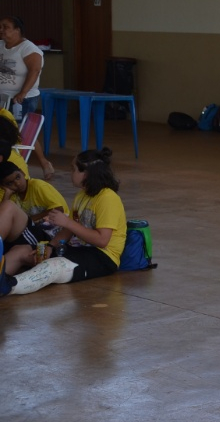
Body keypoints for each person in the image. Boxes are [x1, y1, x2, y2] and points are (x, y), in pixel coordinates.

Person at [1, 147, 127, 297]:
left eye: (73, 169)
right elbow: (68, 231)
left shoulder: (108, 197)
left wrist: (67, 222)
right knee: (23, 251)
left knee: (55, 266)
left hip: (102, 257)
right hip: (78, 249)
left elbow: (102, 240)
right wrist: (50, 246)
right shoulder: (82, 196)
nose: (70, 173)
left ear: (86, 174)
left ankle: (9, 286)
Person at [0, 16, 55, 179]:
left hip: (21, 100)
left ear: (17, 30)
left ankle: (42, 163)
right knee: (8, 130)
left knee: (19, 132)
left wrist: (22, 93)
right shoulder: (1, 46)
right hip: (3, 97)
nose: (1, 30)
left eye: (6, 27)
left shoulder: (28, 49)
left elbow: (35, 70)